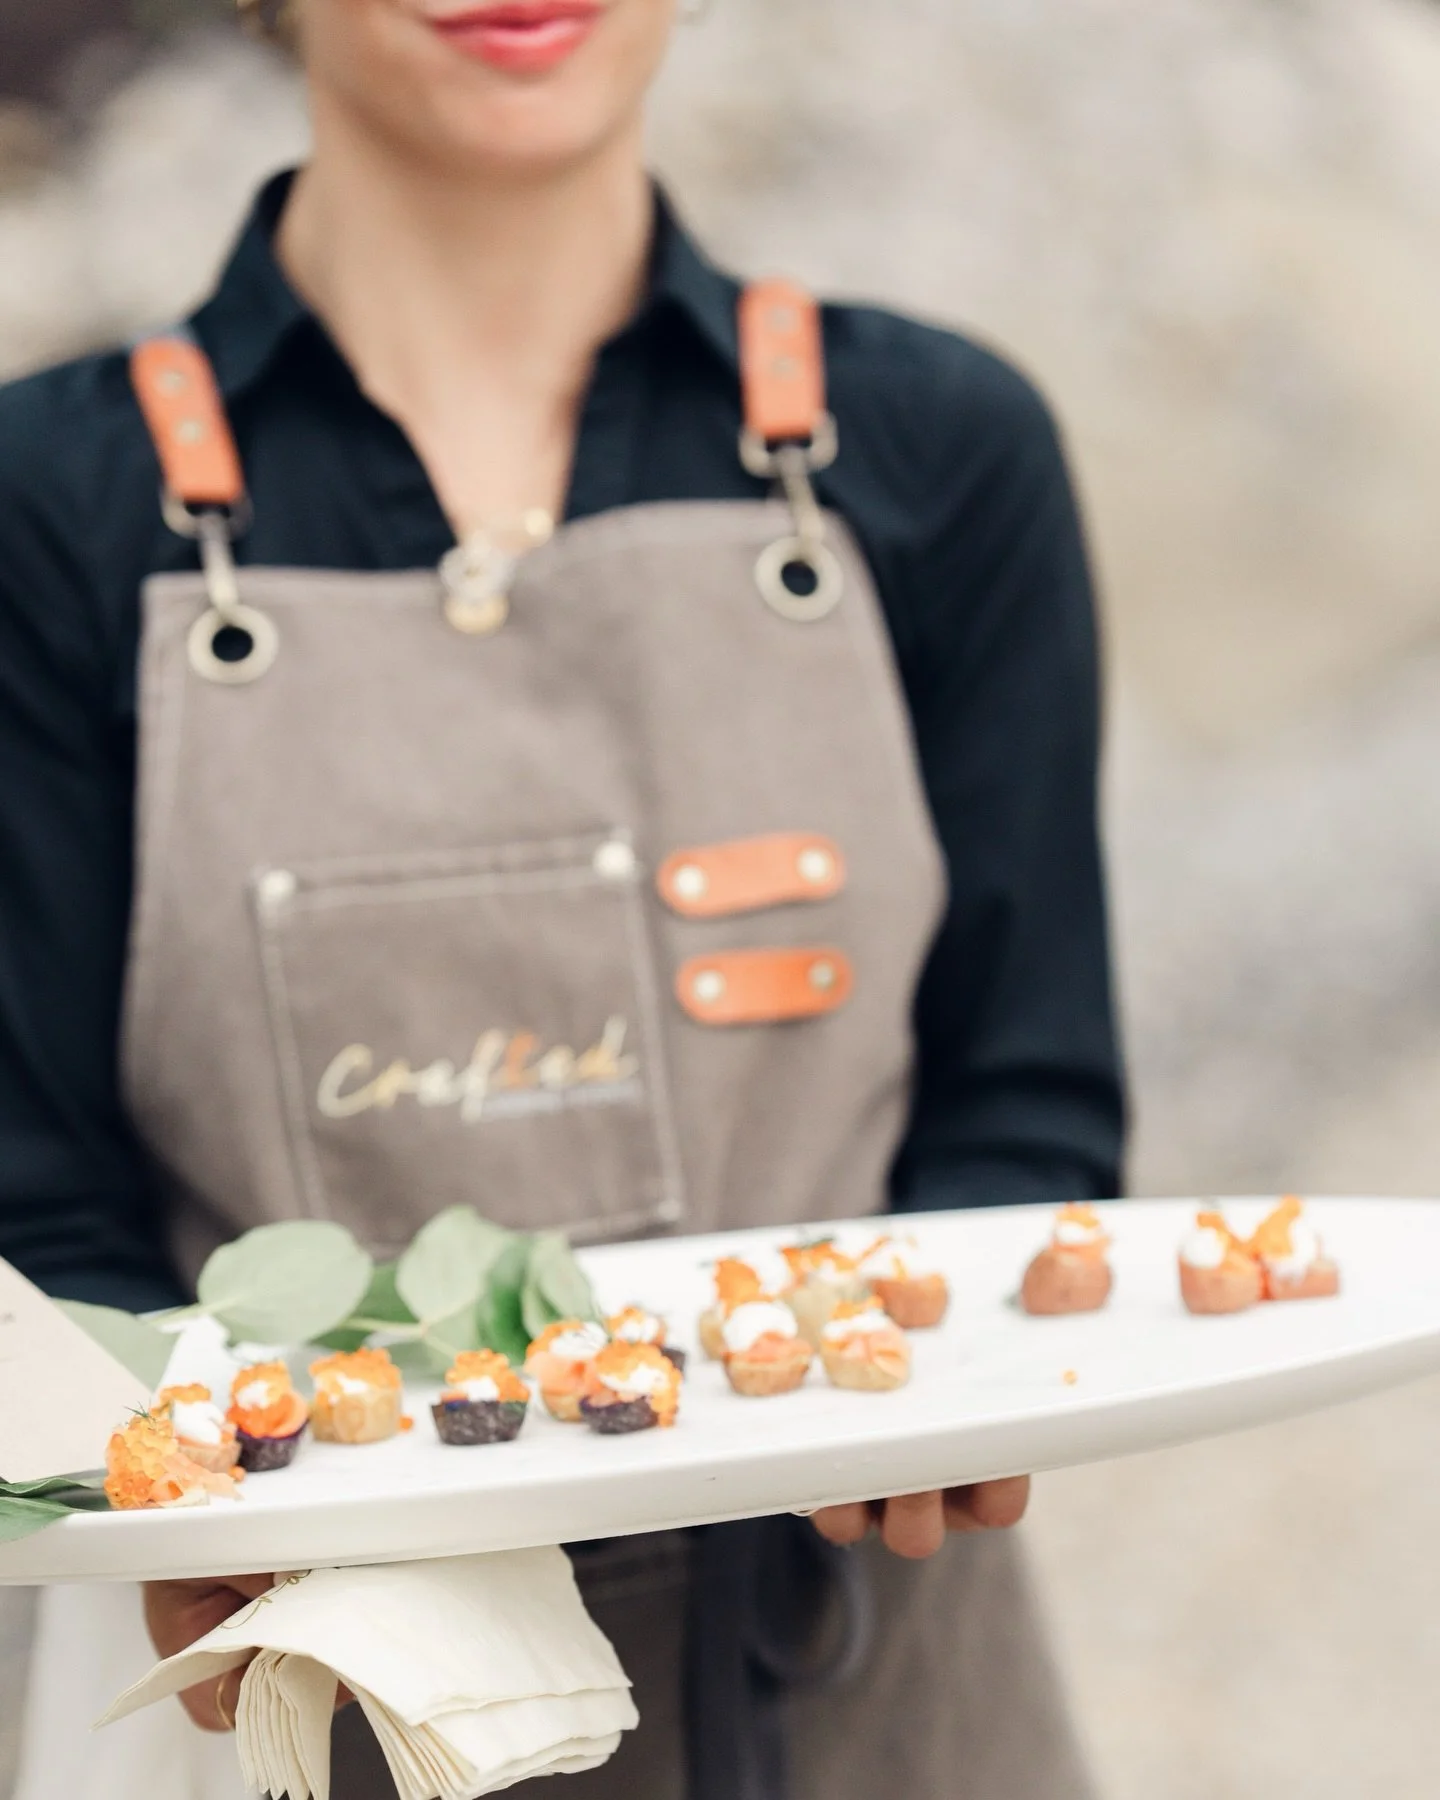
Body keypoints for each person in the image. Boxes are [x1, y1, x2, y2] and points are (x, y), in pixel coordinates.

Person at [0, 0, 1125, 1795]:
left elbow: (1029, 1106)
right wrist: (168, 1489)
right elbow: (34, 1209)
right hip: (324, 1706)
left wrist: (954, 1375)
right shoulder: (48, 511)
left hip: (885, 1674)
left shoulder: (943, 452)